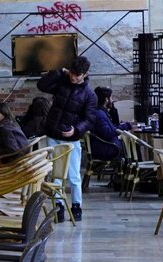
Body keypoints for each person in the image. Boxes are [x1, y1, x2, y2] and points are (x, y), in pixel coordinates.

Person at [36, 56, 98, 222]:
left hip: (71, 139)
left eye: (77, 75)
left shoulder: (89, 95)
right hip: (53, 134)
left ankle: (77, 206)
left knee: (74, 175)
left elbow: (89, 119)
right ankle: (59, 207)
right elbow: (41, 85)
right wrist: (58, 72)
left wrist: (76, 130)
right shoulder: (62, 82)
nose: (73, 77)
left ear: (85, 74)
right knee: (56, 175)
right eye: (72, 73)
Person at [89, 86, 125, 161]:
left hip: (102, 146)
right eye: (111, 98)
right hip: (105, 148)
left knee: (128, 144)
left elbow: (109, 128)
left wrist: (124, 126)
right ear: (106, 99)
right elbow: (107, 132)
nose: (112, 100)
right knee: (131, 144)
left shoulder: (100, 112)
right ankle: (134, 167)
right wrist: (126, 126)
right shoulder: (100, 114)